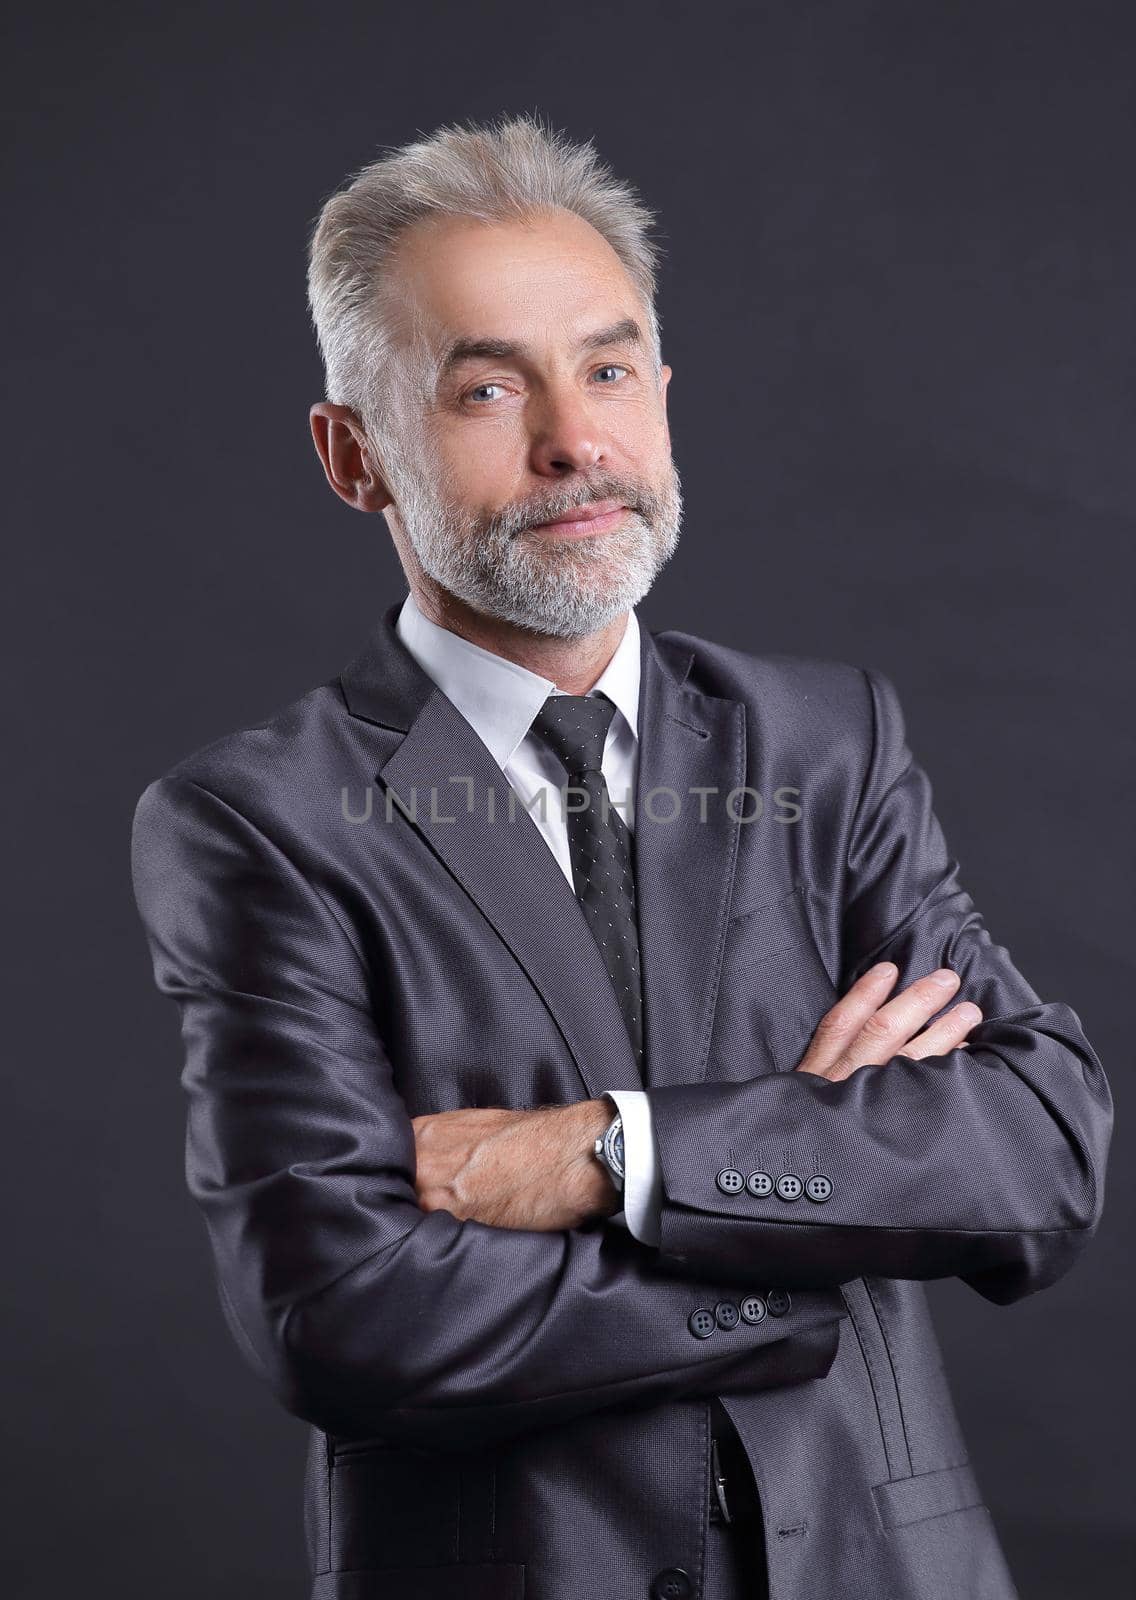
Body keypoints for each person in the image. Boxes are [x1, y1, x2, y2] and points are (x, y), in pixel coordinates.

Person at [130, 113, 1112, 1600]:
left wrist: (613, 1157)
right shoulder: (256, 822)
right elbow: (342, 1314)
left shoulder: (824, 744)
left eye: (605, 368)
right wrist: (808, 1216)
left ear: (660, 391)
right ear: (354, 456)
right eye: (482, 387)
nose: (573, 441)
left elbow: (1041, 1153)